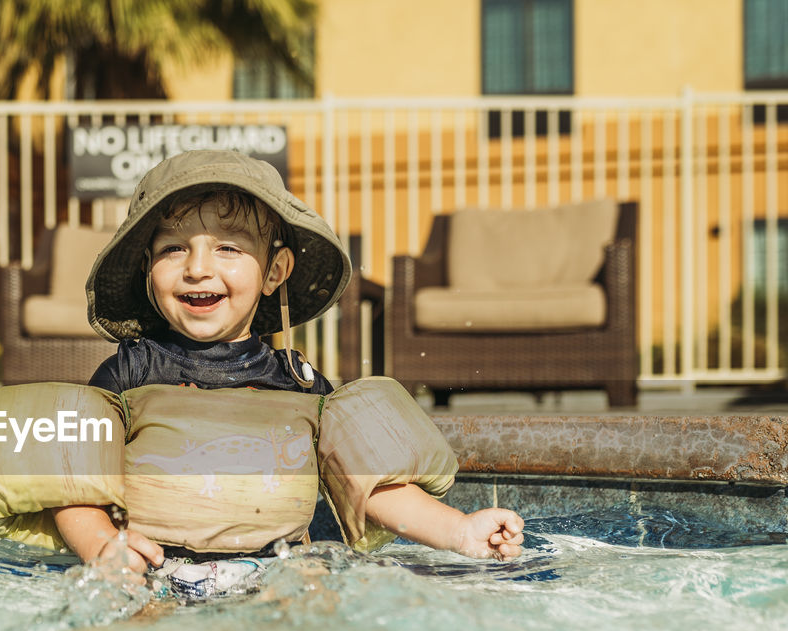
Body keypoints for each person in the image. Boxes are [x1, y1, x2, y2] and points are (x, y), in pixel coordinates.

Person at [45, 149, 524, 575]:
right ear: (149, 269)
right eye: (173, 248)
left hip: (278, 573)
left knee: (314, 592)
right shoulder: (128, 375)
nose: (196, 268)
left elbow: (373, 488)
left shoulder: (300, 385)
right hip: (154, 572)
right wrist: (104, 546)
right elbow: (76, 488)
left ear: (275, 271)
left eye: (227, 248)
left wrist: (460, 531)